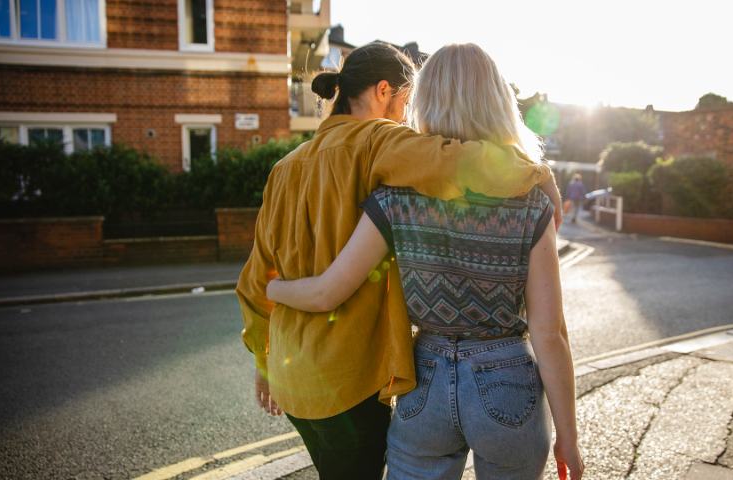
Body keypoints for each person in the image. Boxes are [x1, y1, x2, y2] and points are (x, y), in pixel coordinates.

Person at [235, 42, 563, 480]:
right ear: (384, 90)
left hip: (292, 377)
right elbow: (459, 162)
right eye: (405, 104)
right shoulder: (380, 141)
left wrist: (263, 363)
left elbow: (257, 277)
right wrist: (538, 173)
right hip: (349, 379)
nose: (409, 121)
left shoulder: (285, 167)